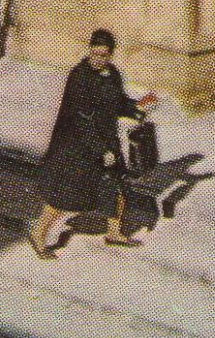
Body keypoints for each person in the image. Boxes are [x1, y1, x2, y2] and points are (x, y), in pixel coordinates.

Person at [29, 29, 152, 257]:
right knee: (64, 195)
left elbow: (117, 102)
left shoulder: (112, 74)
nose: (97, 59)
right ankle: (38, 233)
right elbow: (81, 120)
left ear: (111, 55)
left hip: (106, 142)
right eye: (94, 53)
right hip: (79, 146)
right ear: (89, 51)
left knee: (116, 188)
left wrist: (136, 108)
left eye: (103, 55)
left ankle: (114, 232)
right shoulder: (79, 77)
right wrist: (101, 150)